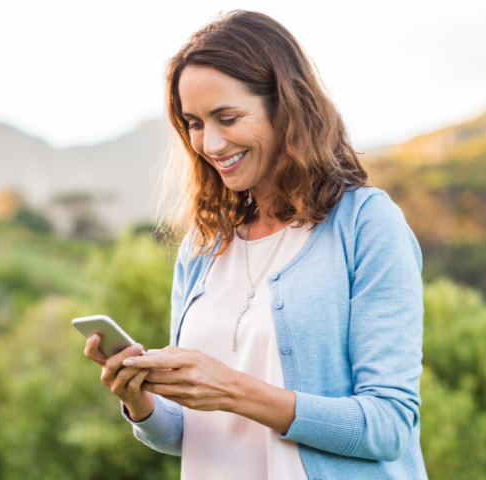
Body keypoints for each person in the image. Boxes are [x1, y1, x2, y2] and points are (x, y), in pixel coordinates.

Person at [84, 10, 427, 480]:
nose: (211, 142)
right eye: (195, 123)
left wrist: (232, 390)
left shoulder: (367, 224)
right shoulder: (204, 246)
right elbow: (197, 434)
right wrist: (139, 400)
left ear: (285, 108)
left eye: (227, 117)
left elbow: (388, 427)